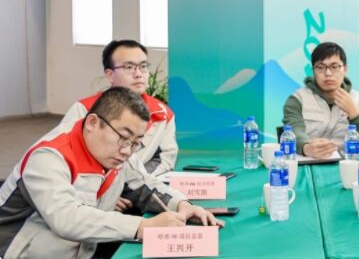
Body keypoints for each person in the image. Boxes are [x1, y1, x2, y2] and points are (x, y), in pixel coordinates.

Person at [0, 87, 221, 259]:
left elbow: (145, 185)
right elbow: (67, 219)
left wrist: (182, 204)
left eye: (136, 142)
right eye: (123, 137)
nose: (127, 150)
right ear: (92, 122)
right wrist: (142, 226)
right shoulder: (48, 157)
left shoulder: (118, 153)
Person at [58, 40, 177, 211]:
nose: (138, 74)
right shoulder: (84, 110)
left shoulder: (163, 113)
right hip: (87, 196)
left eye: (143, 66)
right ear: (110, 75)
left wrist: (126, 186)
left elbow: (164, 158)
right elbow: (66, 160)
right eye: (129, 67)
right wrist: (106, 192)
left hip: (134, 188)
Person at [283, 42, 359, 158]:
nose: (328, 73)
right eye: (320, 67)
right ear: (313, 71)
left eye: (334, 67)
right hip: (309, 163)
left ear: (345, 69)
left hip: (346, 164)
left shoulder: (358, 101)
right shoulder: (297, 99)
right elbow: (294, 132)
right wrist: (306, 147)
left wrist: (354, 114)